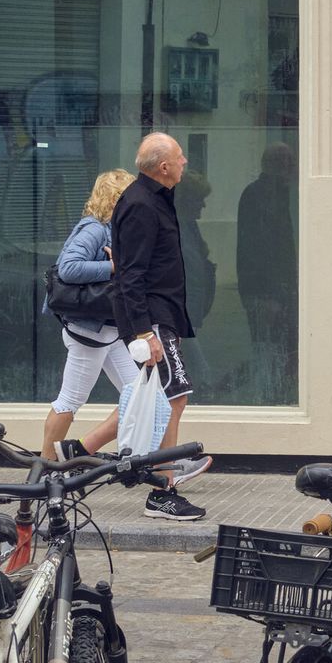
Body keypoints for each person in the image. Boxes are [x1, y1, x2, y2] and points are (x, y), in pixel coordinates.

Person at [112, 132, 210, 521]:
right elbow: (130, 274)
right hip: (150, 319)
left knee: (170, 397)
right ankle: (161, 489)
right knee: (173, 397)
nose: (185, 162)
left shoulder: (155, 198)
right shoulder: (140, 205)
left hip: (161, 315)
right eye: (180, 156)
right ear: (163, 166)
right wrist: (143, 332)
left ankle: (160, 472)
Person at [40, 169, 138, 460]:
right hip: (89, 331)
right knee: (70, 400)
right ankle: (44, 469)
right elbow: (68, 268)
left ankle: (157, 460)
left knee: (141, 395)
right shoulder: (95, 228)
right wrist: (113, 268)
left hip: (108, 329)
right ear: (115, 199)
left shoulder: (113, 230)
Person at [236, 142, 299, 404]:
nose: (293, 167)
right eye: (289, 162)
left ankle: (275, 396)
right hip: (267, 291)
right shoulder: (260, 195)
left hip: (282, 289)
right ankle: (267, 399)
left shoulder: (282, 192)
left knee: (281, 349)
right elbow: (256, 249)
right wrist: (266, 295)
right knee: (267, 349)